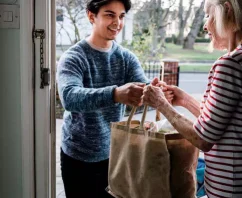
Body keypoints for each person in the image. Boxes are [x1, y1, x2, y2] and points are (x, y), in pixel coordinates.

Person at [57, 0, 156, 197]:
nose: (117, 23)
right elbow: (69, 97)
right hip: (78, 157)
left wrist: (154, 92)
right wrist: (115, 94)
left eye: (121, 16)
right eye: (110, 15)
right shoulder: (74, 57)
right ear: (91, 16)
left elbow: (142, 89)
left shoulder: (126, 58)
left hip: (116, 154)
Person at [142, 0, 242, 197]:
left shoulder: (229, 65)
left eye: (207, 15)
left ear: (227, 10)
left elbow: (204, 139)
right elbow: (219, 125)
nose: (205, 25)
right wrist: (185, 100)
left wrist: (161, 104)